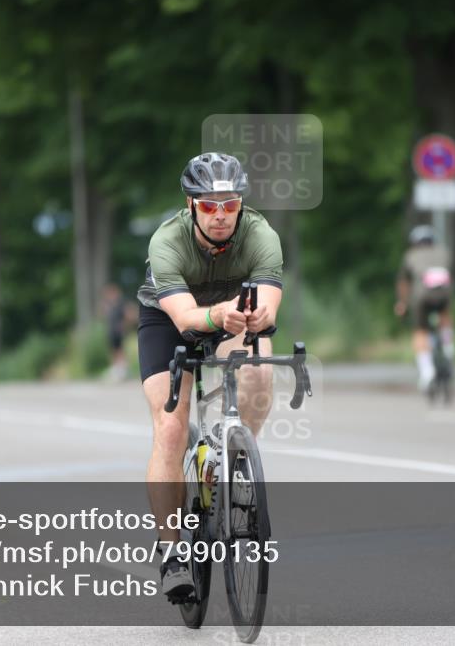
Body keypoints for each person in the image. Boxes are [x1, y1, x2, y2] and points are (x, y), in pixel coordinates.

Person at [136, 152, 283, 600]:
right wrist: (217, 314)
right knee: (171, 426)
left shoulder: (262, 235)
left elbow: (270, 307)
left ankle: (237, 459)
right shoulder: (166, 241)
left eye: (230, 205)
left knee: (258, 367)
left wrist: (255, 317)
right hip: (168, 320)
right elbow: (183, 318)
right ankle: (171, 552)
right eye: (208, 206)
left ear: (241, 203)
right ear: (190, 204)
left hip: (232, 316)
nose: (220, 216)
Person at [394, 225, 454, 391]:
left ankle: (427, 372)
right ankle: (449, 349)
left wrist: (402, 304)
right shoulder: (444, 252)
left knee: (420, 331)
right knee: (445, 316)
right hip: (444, 295)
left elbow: (404, 282)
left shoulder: (411, 255)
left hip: (422, 298)